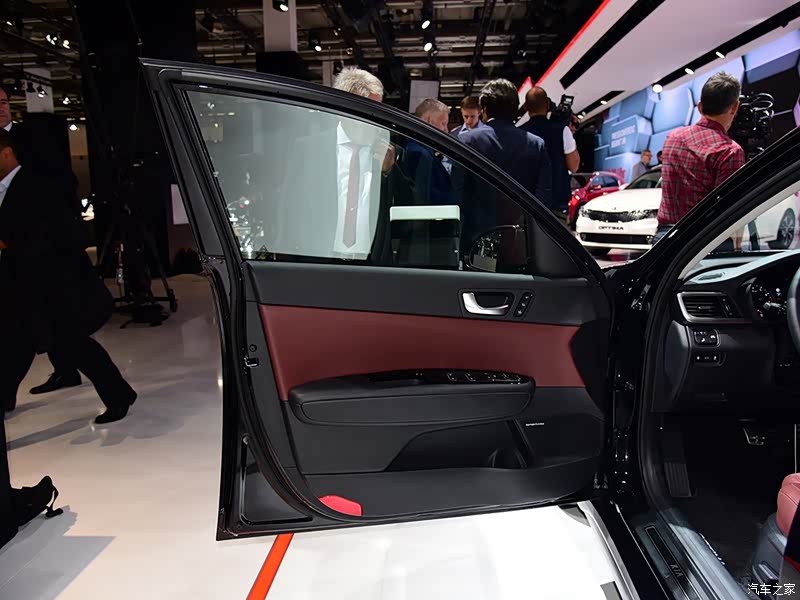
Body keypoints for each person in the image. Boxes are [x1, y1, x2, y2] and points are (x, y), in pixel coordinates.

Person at [0, 129, 137, 423]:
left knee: (70, 342)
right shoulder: (11, 189)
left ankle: (119, 395)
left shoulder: (36, 186)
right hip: (21, 283)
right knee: (16, 342)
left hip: (52, 284)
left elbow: (67, 234)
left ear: (6, 153)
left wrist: (11, 242)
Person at [0, 85, 83, 396]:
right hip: (15, 244)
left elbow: (59, 180)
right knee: (27, 319)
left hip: (37, 244)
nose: (1, 108)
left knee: (32, 319)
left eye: (4, 102)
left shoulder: (31, 139)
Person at [269, 68, 397, 263]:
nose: (376, 119)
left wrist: (387, 173)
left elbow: (404, 212)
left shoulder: (387, 153)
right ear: (344, 110)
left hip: (373, 267)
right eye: (370, 111)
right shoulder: (307, 149)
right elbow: (288, 210)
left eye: (378, 110)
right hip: (319, 264)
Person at [455, 79, 552, 248]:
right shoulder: (536, 144)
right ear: (515, 108)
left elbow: (458, 191)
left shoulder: (467, 141)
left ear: (484, 109)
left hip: (478, 238)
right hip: (522, 239)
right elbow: (544, 194)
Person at [655, 72, 745, 242]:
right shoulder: (729, 151)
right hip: (703, 241)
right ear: (735, 107)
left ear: (699, 106)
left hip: (664, 239)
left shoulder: (673, 137)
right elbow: (727, 210)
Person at [519, 86, 578, 221]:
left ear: (526, 107)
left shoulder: (519, 133)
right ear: (547, 104)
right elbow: (574, 166)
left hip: (526, 205)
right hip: (556, 207)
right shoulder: (562, 131)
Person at [404, 98, 454, 205]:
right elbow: (422, 199)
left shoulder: (421, 149)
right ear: (428, 120)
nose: (446, 130)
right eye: (443, 123)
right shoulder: (418, 153)